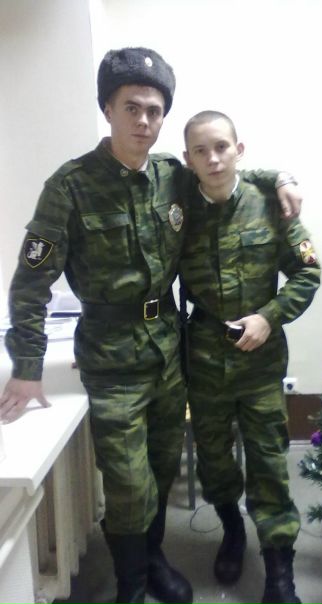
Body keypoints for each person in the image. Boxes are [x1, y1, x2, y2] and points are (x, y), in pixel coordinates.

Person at [0, 49, 302, 604]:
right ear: (107, 110)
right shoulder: (69, 187)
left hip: (168, 348)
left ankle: (154, 557)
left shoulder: (171, 176)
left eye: (155, 110)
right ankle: (132, 586)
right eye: (131, 108)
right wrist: (27, 365)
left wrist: (281, 176)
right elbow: (29, 283)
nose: (144, 121)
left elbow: (224, 172)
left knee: (162, 468)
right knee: (126, 479)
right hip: (111, 355)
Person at [180, 110, 321, 604]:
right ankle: (232, 531)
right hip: (204, 360)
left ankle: (279, 570)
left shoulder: (270, 204)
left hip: (260, 361)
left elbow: (308, 272)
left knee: (268, 462)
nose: (214, 159)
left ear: (239, 150)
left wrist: (269, 316)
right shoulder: (179, 210)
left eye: (222, 147)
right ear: (188, 159)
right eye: (201, 151)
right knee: (215, 460)